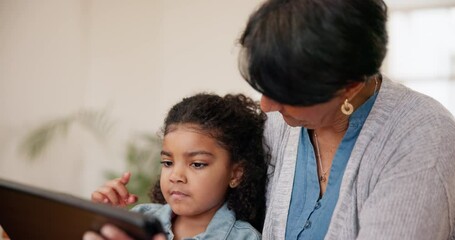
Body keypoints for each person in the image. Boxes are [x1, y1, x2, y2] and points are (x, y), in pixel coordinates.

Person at [238, 0, 455, 239]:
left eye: (286, 94)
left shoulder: (423, 139)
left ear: (350, 87)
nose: (266, 106)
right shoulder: (279, 126)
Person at [83, 93, 269, 240]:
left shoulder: (245, 238)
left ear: (235, 174)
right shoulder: (140, 219)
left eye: (197, 164)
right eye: (168, 163)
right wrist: (101, 220)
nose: (176, 176)